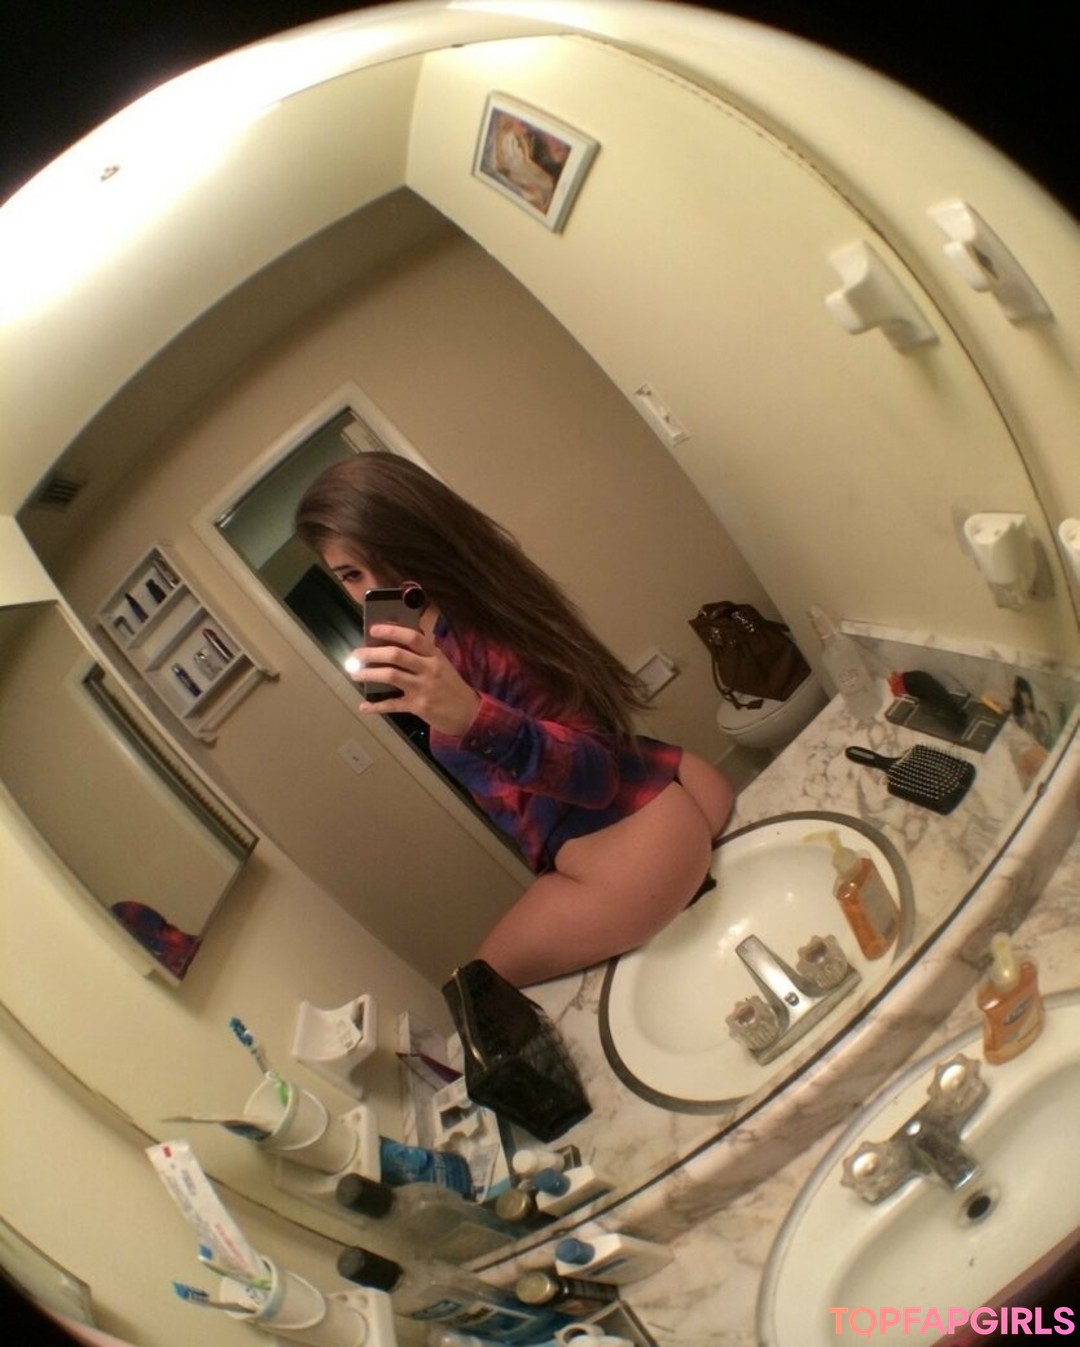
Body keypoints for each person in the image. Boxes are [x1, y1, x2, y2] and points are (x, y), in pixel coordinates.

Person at [296, 454, 733, 986]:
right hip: (666, 791)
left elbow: (595, 773)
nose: (373, 586)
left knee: (480, 989)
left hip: (632, 853)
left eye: (380, 559)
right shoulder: (474, 608)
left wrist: (472, 718)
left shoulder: (478, 635)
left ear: (419, 537)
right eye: (350, 575)